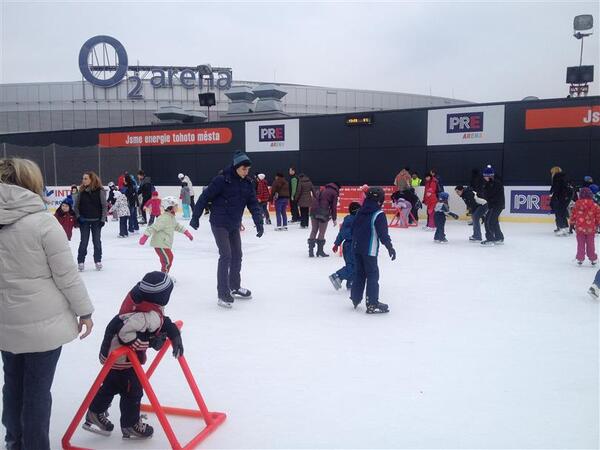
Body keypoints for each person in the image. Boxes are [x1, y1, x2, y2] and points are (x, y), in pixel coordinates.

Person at [0, 157, 94, 450]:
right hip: (44, 328)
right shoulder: (43, 223)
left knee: (13, 385)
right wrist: (85, 311)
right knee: (36, 392)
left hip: (5, 325)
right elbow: (67, 275)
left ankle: (15, 441)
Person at [83, 271, 182, 440]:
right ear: (162, 296)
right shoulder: (143, 316)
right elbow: (125, 333)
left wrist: (174, 334)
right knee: (132, 390)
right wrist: (149, 342)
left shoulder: (144, 300)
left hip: (113, 355)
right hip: (122, 358)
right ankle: (130, 425)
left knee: (111, 385)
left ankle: (95, 412)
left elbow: (161, 320)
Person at [189, 151, 264, 308]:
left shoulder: (247, 183)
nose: (246, 172)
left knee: (237, 254)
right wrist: (195, 217)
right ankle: (222, 294)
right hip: (219, 222)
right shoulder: (222, 180)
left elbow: (253, 204)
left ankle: (234, 287)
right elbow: (204, 197)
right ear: (236, 167)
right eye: (244, 169)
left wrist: (259, 222)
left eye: (248, 169)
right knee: (226, 255)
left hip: (234, 223)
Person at [350, 187, 396, 314]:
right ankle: (372, 304)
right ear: (380, 200)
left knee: (359, 273)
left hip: (356, 248)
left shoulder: (360, 212)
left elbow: (353, 229)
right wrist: (390, 247)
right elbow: (383, 234)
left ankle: (355, 298)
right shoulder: (378, 214)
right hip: (369, 250)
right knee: (372, 275)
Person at [139, 197, 194, 274]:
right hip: (160, 244)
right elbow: (153, 227)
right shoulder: (164, 218)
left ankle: (164, 275)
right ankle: (164, 275)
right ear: (170, 207)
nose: (177, 207)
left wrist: (186, 232)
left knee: (168, 259)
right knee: (167, 260)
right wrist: (145, 236)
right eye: (176, 206)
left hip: (164, 243)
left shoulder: (171, 217)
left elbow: (177, 226)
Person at [73, 171, 107, 271]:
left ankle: (98, 260)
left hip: (96, 221)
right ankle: (81, 261)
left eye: (86, 178)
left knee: (97, 241)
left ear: (92, 179)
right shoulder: (81, 191)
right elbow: (76, 206)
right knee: (84, 242)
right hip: (84, 221)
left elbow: (104, 206)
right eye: (83, 178)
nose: (83, 180)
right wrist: (78, 217)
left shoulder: (100, 191)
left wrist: (102, 219)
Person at [329, 202, 360, 290]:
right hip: (351, 246)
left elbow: (341, 234)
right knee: (353, 266)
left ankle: (351, 283)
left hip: (347, 246)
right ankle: (337, 276)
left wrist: (336, 244)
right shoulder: (355, 221)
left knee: (352, 265)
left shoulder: (347, 220)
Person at [308, 182, 340, 257]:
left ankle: (311, 251)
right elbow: (333, 207)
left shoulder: (323, 189)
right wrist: (334, 219)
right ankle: (320, 251)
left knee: (314, 230)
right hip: (323, 212)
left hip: (313, 210)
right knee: (322, 232)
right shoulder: (334, 193)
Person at [570, 187, 600, 266]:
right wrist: (598, 224)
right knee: (591, 244)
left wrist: (572, 223)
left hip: (580, 228)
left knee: (580, 244)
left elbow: (573, 215)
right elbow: (598, 216)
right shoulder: (594, 205)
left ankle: (580, 258)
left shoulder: (577, 204)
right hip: (591, 228)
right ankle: (593, 258)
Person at [480, 165, 505, 246]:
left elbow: (491, 195)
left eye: (485, 176)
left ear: (489, 176)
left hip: (496, 205)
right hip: (494, 205)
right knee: (494, 221)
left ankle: (490, 239)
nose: (484, 177)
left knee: (489, 221)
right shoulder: (490, 183)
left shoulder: (495, 183)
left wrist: (485, 192)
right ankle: (499, 237)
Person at [549, 167, 572, 236]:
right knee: (562, 212)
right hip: (566, 197)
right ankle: (566, 228)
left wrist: (553, 195)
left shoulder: (557, 177)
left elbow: (556, 188)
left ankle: (562, 228)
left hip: (562, 197)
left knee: (559, 212)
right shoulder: (563, 177)